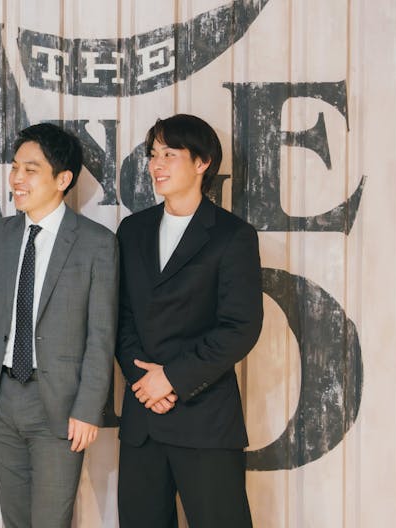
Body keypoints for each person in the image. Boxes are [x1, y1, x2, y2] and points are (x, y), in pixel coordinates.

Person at [0, 123, 118, 527]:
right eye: (15, 167)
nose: (17, 178)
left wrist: (88, 408)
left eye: (30, 170)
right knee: (15, 521)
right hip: (0, 398)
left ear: (63, 179)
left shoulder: (96, 243)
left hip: (60, 404)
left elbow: (101, 335)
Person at [115, 114, 264, 528]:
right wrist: (143, 382)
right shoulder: (132, 230)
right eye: (153, 154)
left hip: (205, 421)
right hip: (143, 421)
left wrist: (172, 379)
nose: (156, 165)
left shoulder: (232, 235)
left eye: (170, 154)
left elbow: (240, 327)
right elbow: (121, 317)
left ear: (203, 162)